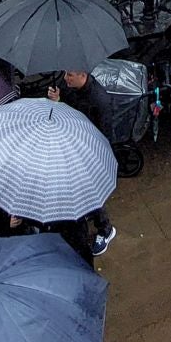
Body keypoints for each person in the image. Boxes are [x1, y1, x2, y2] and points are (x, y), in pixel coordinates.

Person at [47, 69, 117, 256]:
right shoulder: (66, 86)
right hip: (71, 146)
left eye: (70, 75)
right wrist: (57, 101)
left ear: (82, 76)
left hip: (90, 152)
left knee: (91, 193)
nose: (65, 78)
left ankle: (105, 229)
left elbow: (106, 136)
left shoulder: (100, 101)